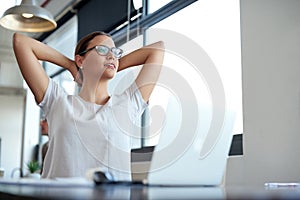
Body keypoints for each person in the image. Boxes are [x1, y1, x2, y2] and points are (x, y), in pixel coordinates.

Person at [13, 31, 164, 181]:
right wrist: (70, 65)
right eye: (102, 50)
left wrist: (113, 64)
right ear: (80, 60)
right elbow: (21, 42)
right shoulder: (57, 101)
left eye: (115, 52)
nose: (111, 55)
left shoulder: (128, 104)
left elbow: (157, 50)